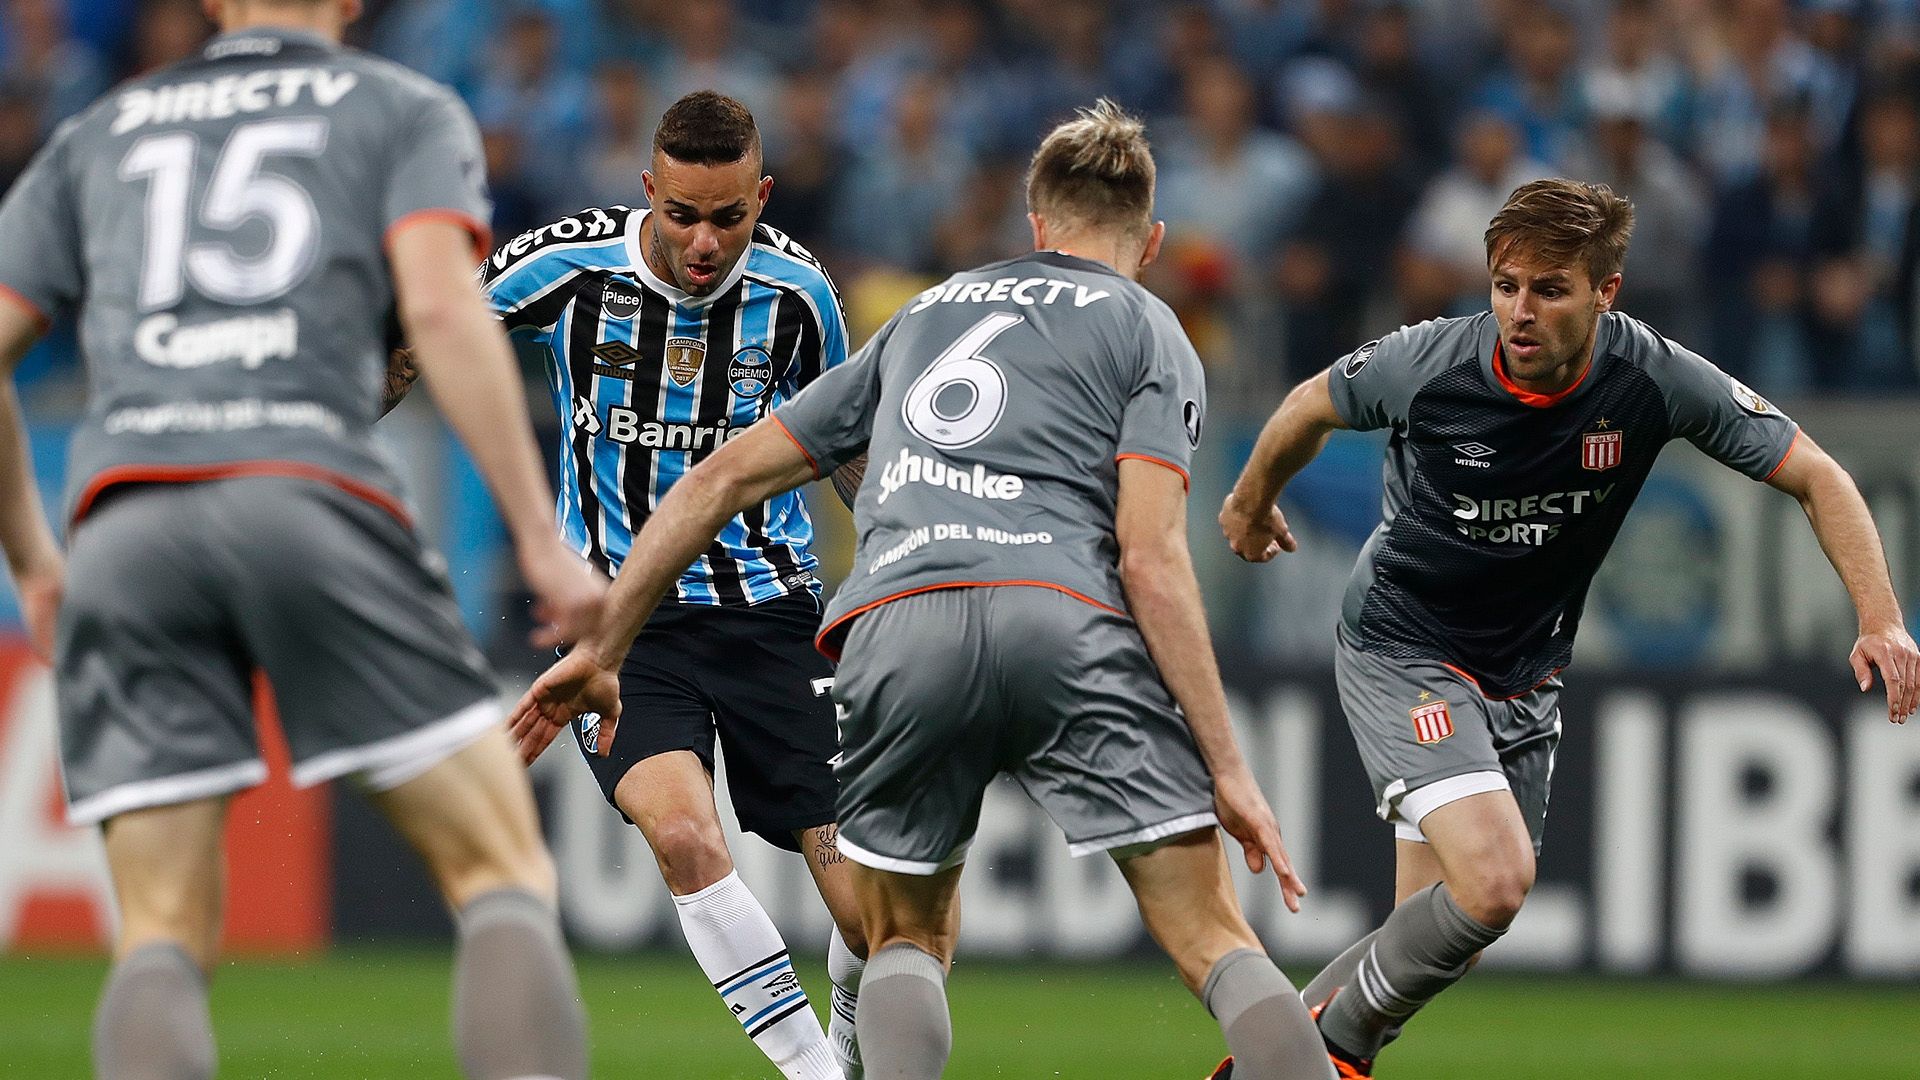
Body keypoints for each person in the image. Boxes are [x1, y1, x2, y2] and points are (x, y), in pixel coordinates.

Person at [509, 99, 1336, 1080]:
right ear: (1151, 241)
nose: (702, 241)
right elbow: (1151, 556)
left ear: (1033, 225)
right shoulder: (1151, 330)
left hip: (893, 619)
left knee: (898, 935)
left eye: (725, 217)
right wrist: (1227, 764)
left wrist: (595, 649)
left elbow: (721, 477)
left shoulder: (928, 310)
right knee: (1210, 937)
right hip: (1059, 616)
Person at [0, 1, 607, 1078]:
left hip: (125, 518)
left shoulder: (99, 130)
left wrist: (37, 560)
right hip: (308, 487)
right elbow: (439, 307)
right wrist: (538, 534)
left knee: (160, 929)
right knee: (501, 866)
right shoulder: (400, 105)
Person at [1219, 177, 1920, 1078]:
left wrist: (1882, 618)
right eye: (1505, 285)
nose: (1520, 310)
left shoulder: (1652, 379)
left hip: (1526, 672)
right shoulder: (1432, 362)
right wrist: (1250, 500)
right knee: (1499, 882)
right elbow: (1308, 405)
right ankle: (1331, 1055)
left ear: (1605, 292)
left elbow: (1816, 473)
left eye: (1549, 289)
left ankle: (1272, 1063)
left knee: (1449, 934)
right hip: (1406, 642)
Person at [470, 90, 868, 1080]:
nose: (702, 240)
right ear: (648, 189)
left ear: (761, 197)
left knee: (869, 905)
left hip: (775, 618)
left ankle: (858, 1059)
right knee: (687, 837)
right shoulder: (561, 267)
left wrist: (909, 570)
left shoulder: (799, 296)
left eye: (728, 217)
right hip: (622, 630)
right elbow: (426, 335)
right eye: (682, 213)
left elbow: (848, 448)